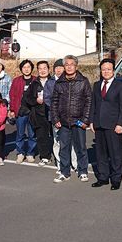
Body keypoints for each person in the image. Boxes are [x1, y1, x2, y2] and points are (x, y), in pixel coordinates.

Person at [50, 55, 92, 183]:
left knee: (81, 148)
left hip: (78, 121)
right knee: (64, 148)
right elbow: (54, 102)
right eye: (66, 64)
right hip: (63, 122)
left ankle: (83, 171)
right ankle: (64, 172)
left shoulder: (83, 81)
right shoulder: (59, 82)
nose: (69, 67)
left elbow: (89, 101)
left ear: (76, 66)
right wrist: (55, 118)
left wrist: (85, 120)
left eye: (71, 64)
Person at [89, 58, 122, 190]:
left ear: (113, 70)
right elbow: (93, 104)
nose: (106, 71)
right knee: (100, 153)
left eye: (109, 69)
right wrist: (91, 121)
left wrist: (120, 124)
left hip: (113, 125)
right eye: (103, 69)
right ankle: (103, 177)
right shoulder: (96, 85)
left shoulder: (120, 86)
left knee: (115, 153)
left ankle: (116, 179)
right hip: (99, 123)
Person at [45, 59, 77, 175]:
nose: (58, 70)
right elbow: (47, 99)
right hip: (55, 117)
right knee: (57, 141)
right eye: (56, 68)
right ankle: (60, 165)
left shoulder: (70, 80)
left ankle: (75, 164)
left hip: (70, 117)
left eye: (60, 67)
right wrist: (57, 111)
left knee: (72, 141)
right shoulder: (50, 82)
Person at [22, 61, 54, 167]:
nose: (42, 70)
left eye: (44, 68)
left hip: (53, 113)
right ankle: (45, 157)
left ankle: (60, 156)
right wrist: (35, 100)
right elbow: (27, 97)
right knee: (41, 136)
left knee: (56, 136)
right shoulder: (34, 83)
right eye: (40, 68)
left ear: (48, 69)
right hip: (39, 114)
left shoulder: (54, 81)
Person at [9, 59, 37, 164]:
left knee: (32, 134)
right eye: (24, 67)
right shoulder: (16, 81)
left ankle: (30, 153)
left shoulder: (36, 80)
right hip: (20, 111)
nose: (26, 69)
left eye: (28, 67)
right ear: (21, 69)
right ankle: (20, 153)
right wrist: (12, 109)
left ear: (31, 68)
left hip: (32, 111)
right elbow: (12, 96)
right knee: (20, 134)